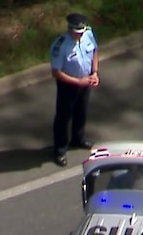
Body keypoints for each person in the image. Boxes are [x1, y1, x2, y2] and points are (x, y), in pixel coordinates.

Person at [50, 13, 99, 167]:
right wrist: (78, 81)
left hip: (85, 82)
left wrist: (94, 72)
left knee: (81, 112)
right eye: (76, 33)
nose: (79, 35)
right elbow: (56, 72)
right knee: (63, 117)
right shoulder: (60, 46)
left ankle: (78, 139)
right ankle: (60, 149)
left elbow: (95, 51)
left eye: (81, 32)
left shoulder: (88, 34)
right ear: (69, 29)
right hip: (68, 85)